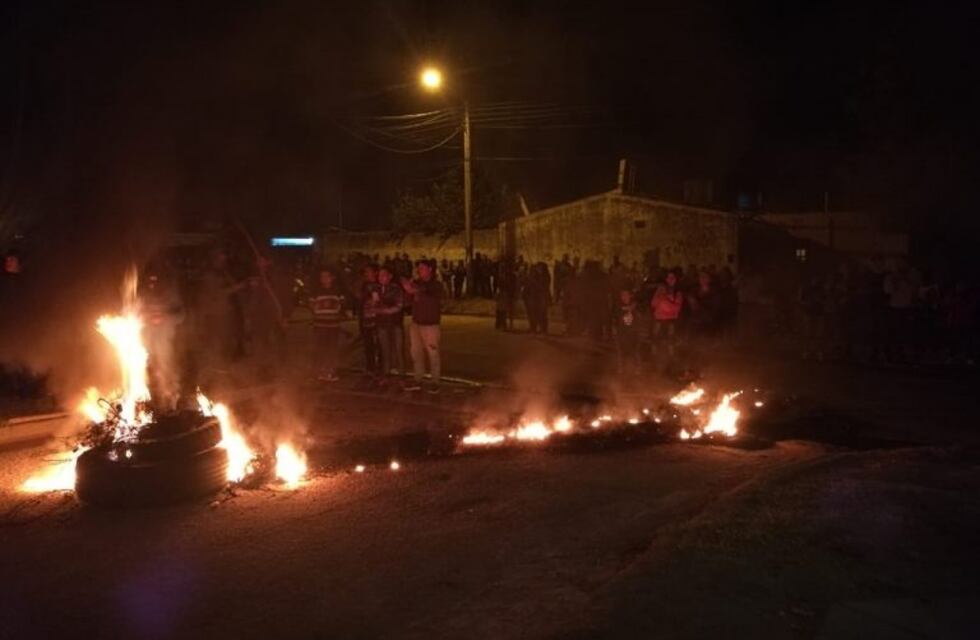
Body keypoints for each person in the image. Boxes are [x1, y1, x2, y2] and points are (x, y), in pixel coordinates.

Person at [402, 260, 443, 392]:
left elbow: (431, 293)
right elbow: (407, 302)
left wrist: (415, 289)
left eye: (422, 268)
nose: (419, 270)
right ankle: (418, 379)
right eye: (418, 268)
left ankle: (435, 381)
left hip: (431, 325)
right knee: (416, 353)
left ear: (430, 269)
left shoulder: (436, 284)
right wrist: (408, 291)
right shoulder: (416, 284)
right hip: (416, 323)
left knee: (433, 353)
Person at [309, 267, 347, 382]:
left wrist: (337, 308)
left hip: (333, 325)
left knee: (332, 349)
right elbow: (311, 304)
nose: (324, 279)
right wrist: (317, 308)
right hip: (320, 325)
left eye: (326, 276)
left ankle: (330, 371)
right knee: (320, 348)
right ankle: (319, 371)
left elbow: (342, 303)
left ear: (332, 278)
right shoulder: (316, 290)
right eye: (322, 277)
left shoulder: (338, 290)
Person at [375, 265, 406, 377]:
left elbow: (398, 306)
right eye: (379, 275)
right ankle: (386, 374)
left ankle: (401, 374)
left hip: (395, 324)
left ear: (390, 276)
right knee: (385, 351)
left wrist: (381, 308)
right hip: (382, 325)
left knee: (398, 351)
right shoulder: (376, 289)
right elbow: (369, 307)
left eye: (383, 275)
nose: (380, 277)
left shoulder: (396, 289)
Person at [651, 270, 684, 359]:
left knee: (670, 343)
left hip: (671, 321)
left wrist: (663, 299)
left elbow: (676, 308)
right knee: (656, 342)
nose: (670, 280)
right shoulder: (660, 290)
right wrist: (661, 297)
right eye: (668, 278)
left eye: (672, 278)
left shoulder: (678, 292)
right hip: (658, 321)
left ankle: (671, 362)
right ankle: (656, 362)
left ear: (676, 279)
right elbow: (653, 303)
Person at [359, 264, 383, 376]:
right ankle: (370, 367)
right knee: (368, 344)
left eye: (368, 271)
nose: (366, 274)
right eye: (365, 272)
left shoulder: (380, 284)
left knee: (379, 344)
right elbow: (361, 300)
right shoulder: (364, 285)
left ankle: (381, 367)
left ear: (375, 272)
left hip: (378, 319)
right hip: (366, 318)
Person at [613, 289, 641, 374]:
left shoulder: (635, 306)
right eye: (622, 295)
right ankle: (621, 369)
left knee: (635, 351)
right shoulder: (617, 307)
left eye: (626, 295)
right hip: (621, 333)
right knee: (621, 352)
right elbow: (615, 318)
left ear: (630, 296)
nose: (624, 297)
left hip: (633, 332)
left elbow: (639, 318)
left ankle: (637, 369)